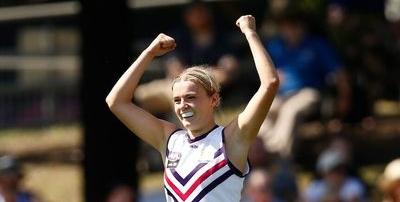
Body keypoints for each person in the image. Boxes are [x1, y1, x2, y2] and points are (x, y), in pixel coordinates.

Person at [106, 15, 279, 202]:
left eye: (190, 97)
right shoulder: (169, 139)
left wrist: (250, 33)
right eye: (177, 100)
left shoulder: (231, 138)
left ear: (213, 99)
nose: (183, 105)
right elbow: (116, 101)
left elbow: (270, 83)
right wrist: (149, 53)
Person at [257, 10, 351, 159]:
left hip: (309, 92)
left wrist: (344, 96)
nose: (289, 29)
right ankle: (266, 152)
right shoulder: (276, 46)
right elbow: (265, 72)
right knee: (262, 111)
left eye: (292, 25)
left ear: (301, 26)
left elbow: (339, 72)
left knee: (291, 110)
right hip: (280, 94)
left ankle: (281, 157)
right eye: (284, 25)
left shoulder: (317, 45)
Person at [134, 2, 240, 118]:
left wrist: (192, 82)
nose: (198, 16)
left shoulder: (222, 39)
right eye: (193, 12)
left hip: (210, 90)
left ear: (210, 14)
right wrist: (198, 78)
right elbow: (174, 70)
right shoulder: (178, 38)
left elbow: (225, 73)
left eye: (201, 11)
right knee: (135, 96)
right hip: (172, 86)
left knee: (184, 97)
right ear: (186, 16)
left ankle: (186, 134)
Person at [302, 148, 366, 202]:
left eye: (341, 170)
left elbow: (354, 198)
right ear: (324, 173)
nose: (338, 174)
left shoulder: (353, 184)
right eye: (334, 170)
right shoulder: (316, 186)